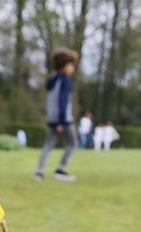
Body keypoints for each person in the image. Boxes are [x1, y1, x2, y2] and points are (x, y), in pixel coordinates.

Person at [34, 48, 79, 182]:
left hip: (51, 118)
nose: (73, 68)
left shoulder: (51, 80)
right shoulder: (65, 81)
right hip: (63, 119)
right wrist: (61, 121)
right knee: (72, 143)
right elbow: (63, 101)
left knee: (48, 145)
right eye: (71, 65)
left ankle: (39, 172)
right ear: (65, 65)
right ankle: (60, 169)